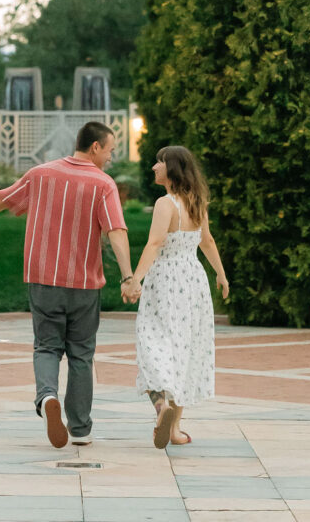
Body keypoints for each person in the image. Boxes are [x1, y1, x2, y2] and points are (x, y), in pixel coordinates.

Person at [0, 121, 134, 449]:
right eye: (110, 151)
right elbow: (116, 230)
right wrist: (127, 276)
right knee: (81, 354)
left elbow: (1, 200)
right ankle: (81, 428)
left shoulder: (41, 174)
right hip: (85, 285)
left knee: (46, 347)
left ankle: (46, 397)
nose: (111, 158)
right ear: (96, 147)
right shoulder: (103, 184)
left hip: (43, 279)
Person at [122, 145, 228, 448]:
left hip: (166, 281)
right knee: (185, 349)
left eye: (160, 163)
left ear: (172, 170)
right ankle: (176, 428)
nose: (154, 167)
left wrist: (134, 280)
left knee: (150, 342)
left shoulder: (165, 204)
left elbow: (155, 243)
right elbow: (206, 241)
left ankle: (161, 406)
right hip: (193, 281)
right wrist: (220, 274)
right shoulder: (196, 201)